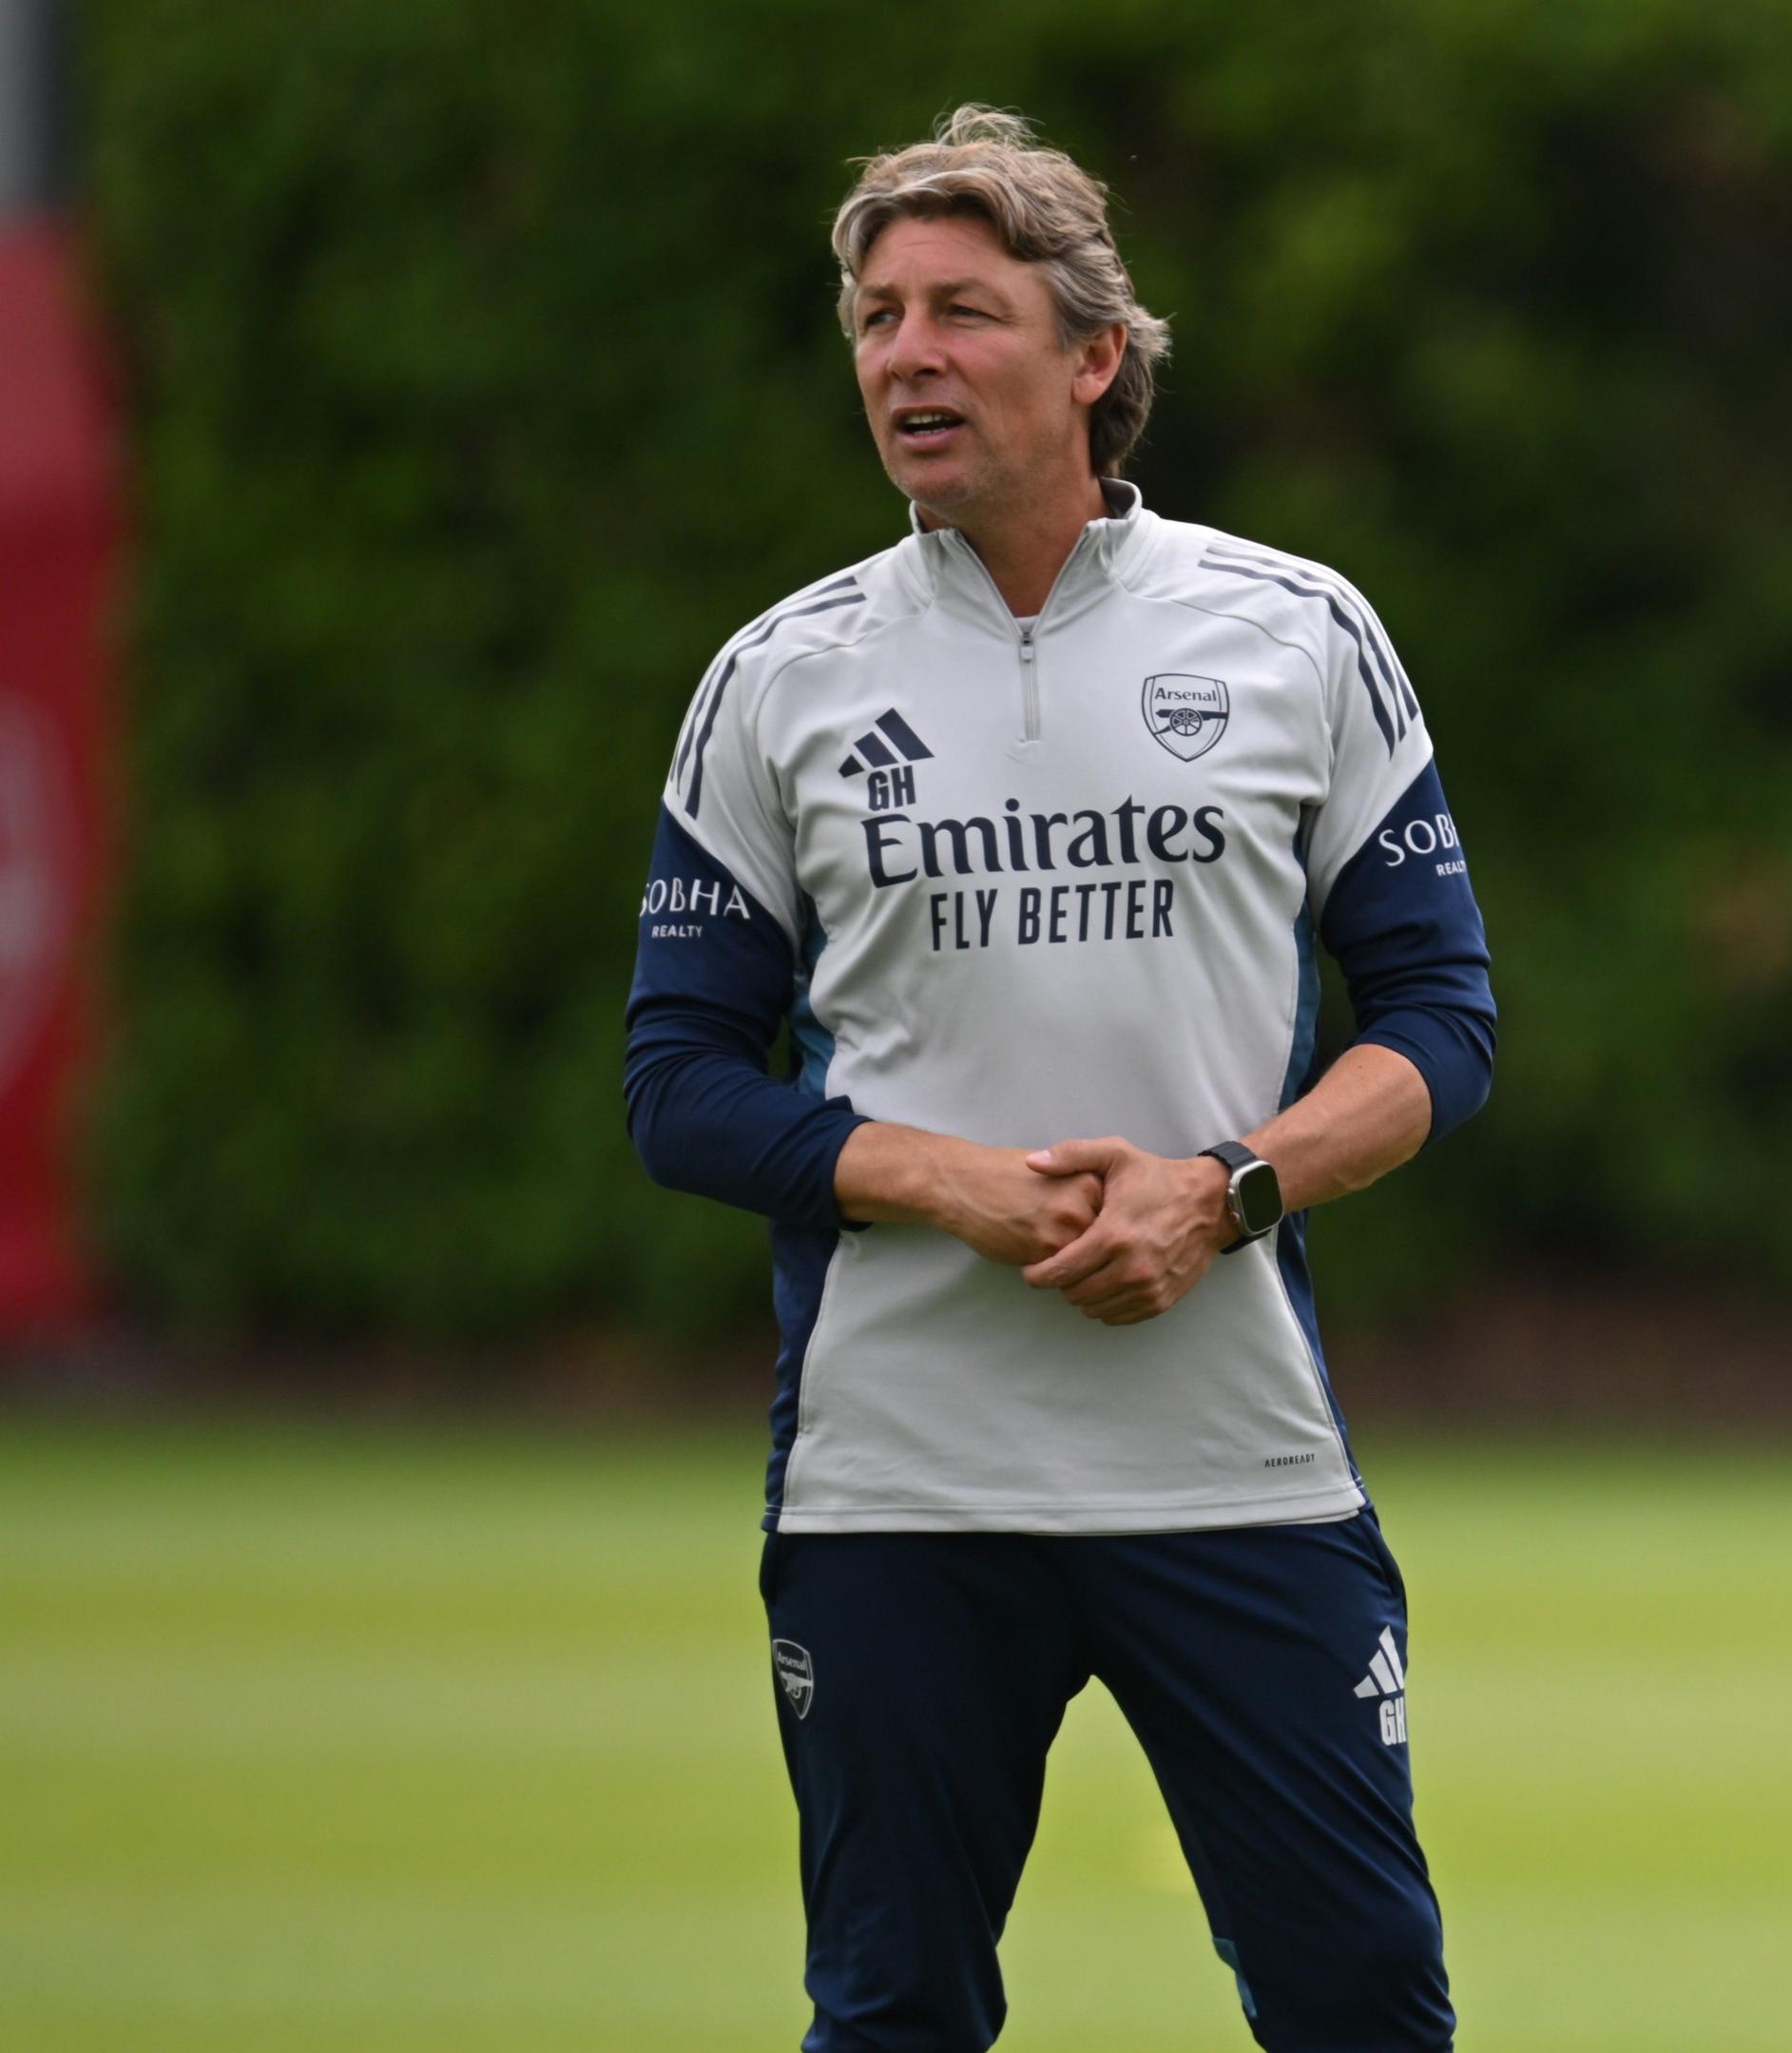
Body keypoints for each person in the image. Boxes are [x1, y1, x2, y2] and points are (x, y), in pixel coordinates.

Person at [622, 107, 1492, 2052]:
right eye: (874, 319)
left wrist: (1225, 1188)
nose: (906, 356)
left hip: (1235, 1465)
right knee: (896, 2012)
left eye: (962, 313)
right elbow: (679, 1083)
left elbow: (1443, 1026)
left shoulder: (1296, 630)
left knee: (1364, 2005)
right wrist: (942, 1180)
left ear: (1097, 355)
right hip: (896, 1483)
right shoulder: (782, 678)